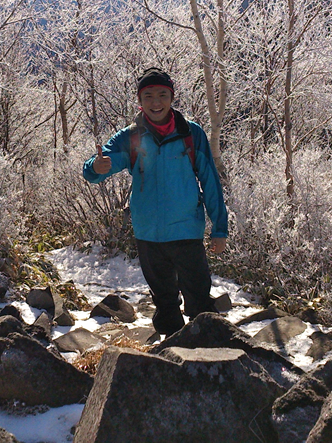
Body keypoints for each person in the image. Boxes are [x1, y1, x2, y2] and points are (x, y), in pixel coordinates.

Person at [82, 67, 228, 338]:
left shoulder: (190, 134)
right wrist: (96, 167)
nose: (156, 102)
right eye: (148, 96)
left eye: (162, 94)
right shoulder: (131, 136)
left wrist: (219, 228)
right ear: (140, 100)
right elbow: (100, 164)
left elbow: (210, 181)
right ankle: (172, 355)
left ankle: (210, 354)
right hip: (149, 233)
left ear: (172, 97)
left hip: (186, 230)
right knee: (164, 302)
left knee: (198, 298)